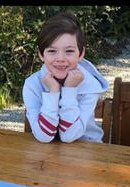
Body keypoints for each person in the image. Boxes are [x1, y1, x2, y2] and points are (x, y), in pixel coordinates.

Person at [22, 12, 108, 143]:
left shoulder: (90, 85)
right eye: (52, 51)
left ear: (81, 53)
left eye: (69, 51)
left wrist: (69, 90)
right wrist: (53, 92)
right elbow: (44, 136)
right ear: (41, 54)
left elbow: (69, 136)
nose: (60, 59)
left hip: (88, 151)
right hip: (47, 155)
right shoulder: (32, 85)